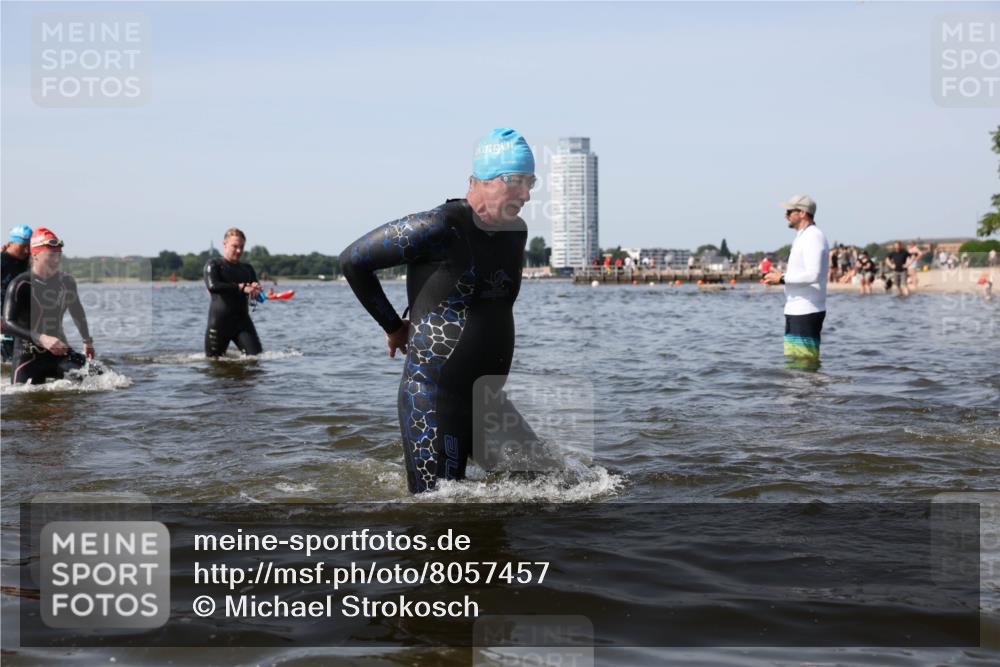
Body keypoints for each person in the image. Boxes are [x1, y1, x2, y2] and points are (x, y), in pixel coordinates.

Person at [340, 128, 539, 493]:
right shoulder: (438, 226)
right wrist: (392, 325)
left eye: (532, 182)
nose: (526, 194)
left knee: (553, 487)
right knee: (440, 517)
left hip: (488, 400)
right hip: (434, 399)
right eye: (518, 182)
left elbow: (460, 290)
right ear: (484, 180)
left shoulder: (516, 232)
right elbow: (353, 261)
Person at [1, 228, 97, 384]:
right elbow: (7, 323)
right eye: (51, 255)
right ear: (35, 255)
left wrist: (87, 342)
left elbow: (77, 311)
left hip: (60, 352)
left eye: (59, 255)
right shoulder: (21, 284)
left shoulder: (67, 281)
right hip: (28, 356)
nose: (56, 260)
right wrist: (41, 338)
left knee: (102, 378)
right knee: (22, 401)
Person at [762, 195, 829, 365]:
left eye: (789, 211)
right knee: (795, 364)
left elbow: (813, 275)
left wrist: (782, 278)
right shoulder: (802, 236)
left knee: (804, 364)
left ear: (802, 213)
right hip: (796, 309)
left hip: (807, 310)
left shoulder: (813, 236)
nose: (786, 215)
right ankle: (799, 392)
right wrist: (782, 274)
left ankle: (810, 392)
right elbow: (802, 272)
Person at [203, 227, 263, 357]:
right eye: (235, 246)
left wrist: (256, 289)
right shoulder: (213, 265)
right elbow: (213, 286)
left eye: (241, 247)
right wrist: (241, 287)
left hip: (243, 322)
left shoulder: (247, 269)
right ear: (225, 244)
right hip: (219, 324)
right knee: (214, 363)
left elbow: (253, 286)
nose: (239, 250)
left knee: (256, 359)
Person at [1, 225, 32, 362]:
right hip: (4, 320)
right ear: (12, 243)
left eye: (29, 246)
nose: (26, 250)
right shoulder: (2, 261)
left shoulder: (27, 261)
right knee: (10, 360)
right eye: (23, 246)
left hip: (20, 321)